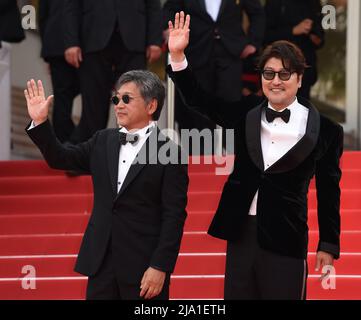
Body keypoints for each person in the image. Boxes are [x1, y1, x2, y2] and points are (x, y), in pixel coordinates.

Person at [167, 12, 343, 299]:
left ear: (299, 79)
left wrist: (328, 244)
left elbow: (328, 191)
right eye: (268, 73)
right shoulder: (248, 113)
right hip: (242, 232)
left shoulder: (327, 130)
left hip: (286, 236)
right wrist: (177, 56)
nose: (276, 81)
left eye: (285, 74)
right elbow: (201, 101)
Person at [24, 70, 189, 300]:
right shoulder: (103, 140)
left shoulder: (169, 152)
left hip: (144, 269)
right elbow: (60, 158)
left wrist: (160, 266)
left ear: (151, 106)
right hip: (100, 265)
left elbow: (174, 216)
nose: (118, 105)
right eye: (116, 99)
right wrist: (41, 123)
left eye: (126, 99)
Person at [163, 0, 265, 153]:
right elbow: (170, 9)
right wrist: (169, 30)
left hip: (230, 52)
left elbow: (257, 12)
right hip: (196, 50)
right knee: (197, 107)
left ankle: (235, 157)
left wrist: (253, 43)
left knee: (231, 105)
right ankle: (200, 157)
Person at [63, 0, 164, 143]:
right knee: (93, 104)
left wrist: (154, 40)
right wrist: (71, 42)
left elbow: (153, 4)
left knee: (134, 100)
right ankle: (93, 152)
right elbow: (72, 5)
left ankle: (131, 150)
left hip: (134, 37)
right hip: (93, 36)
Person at [264, 0, 325, 100]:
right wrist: (293, 30)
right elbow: (265, 36)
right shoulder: (275, 2)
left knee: (302, 110)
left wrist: (317, 38)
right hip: (280, 69)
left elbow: (320, 38)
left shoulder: (313, 2)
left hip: (305, 70)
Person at [39, 0, 80, 143]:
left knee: (62, 98)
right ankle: (71, 143)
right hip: (83, 45)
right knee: (67, 99)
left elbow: (42, 17)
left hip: (56, 45)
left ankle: (67, 143)